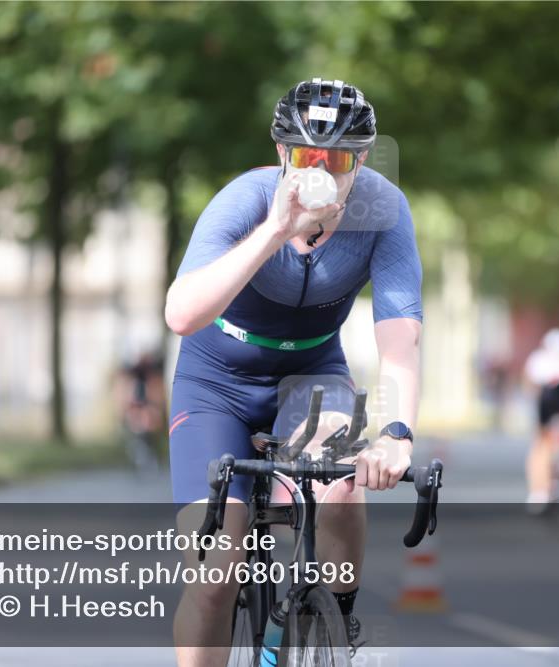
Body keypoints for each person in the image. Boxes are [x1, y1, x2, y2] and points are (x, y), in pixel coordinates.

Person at [164, 78, 422, 667]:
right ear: (283, 154)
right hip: (215, 380)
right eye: (308, 156)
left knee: (342, 483)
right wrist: (276, 229)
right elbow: (180, 314)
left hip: (311, 372)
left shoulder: (383, 210)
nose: (323, 170)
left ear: (362, 159)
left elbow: (401, 343)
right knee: (213, 578)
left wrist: (397, 433)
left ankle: (336, 614)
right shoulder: (245, 199)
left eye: (339, 158)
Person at [522, 328, 559, 512]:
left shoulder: (541, 361)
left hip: (551, 407)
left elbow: (529, 386)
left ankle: (543, 487)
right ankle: (543, 486)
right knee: (544, 446)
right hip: (552, 408)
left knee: (542, 447)